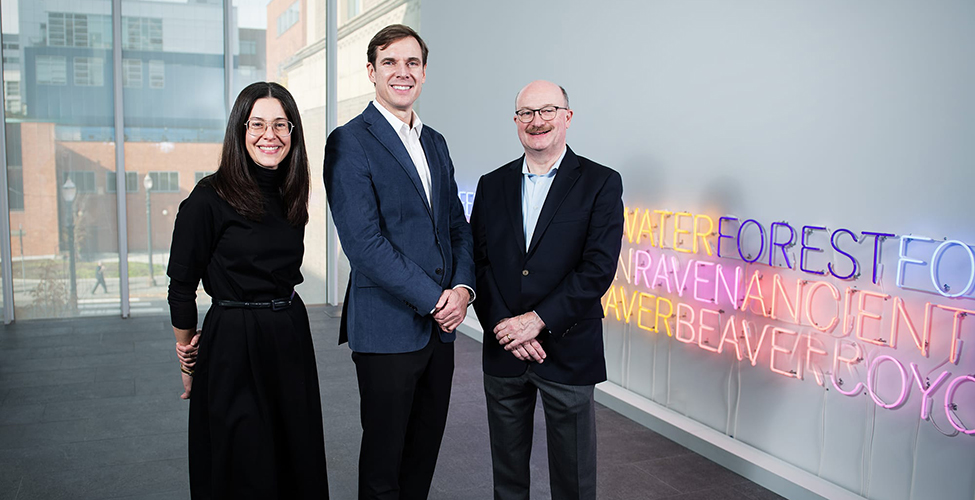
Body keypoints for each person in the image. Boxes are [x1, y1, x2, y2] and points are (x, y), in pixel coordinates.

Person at [323, 24, 474, 500]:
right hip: (387, 328)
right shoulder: (349, 141)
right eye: (389, 62)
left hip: (440, 331)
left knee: (423, 453)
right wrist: (436, 299)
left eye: (412, 63)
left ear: (424, 73)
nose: (402, 72)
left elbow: (456, 225)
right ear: (372, 72)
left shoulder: (436, 142)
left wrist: (463, 290)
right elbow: (363, 243)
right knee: (384, 463)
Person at [167, 81, 329, 499]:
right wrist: (187, 356)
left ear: (293, 132)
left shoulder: (292, 192)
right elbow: (181, 286)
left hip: (289, 333)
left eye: (280, 124)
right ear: (240, 130)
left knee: (295, 456)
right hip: (233, 341)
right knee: (242, 462)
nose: (269, 135)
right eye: (257, 124)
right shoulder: (208, 198)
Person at [470, 80, 624, 500]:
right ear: (516, 120)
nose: (536, 121)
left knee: (574, 482)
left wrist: (536, 321)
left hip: (568, 349)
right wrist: (505, 327)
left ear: (567, 117)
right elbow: (479, 263)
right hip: (505, 348)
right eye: (526, 113)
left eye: (547, 111)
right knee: (507, 481)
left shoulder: (601, 182)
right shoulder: (491, 184)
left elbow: (597, 269)